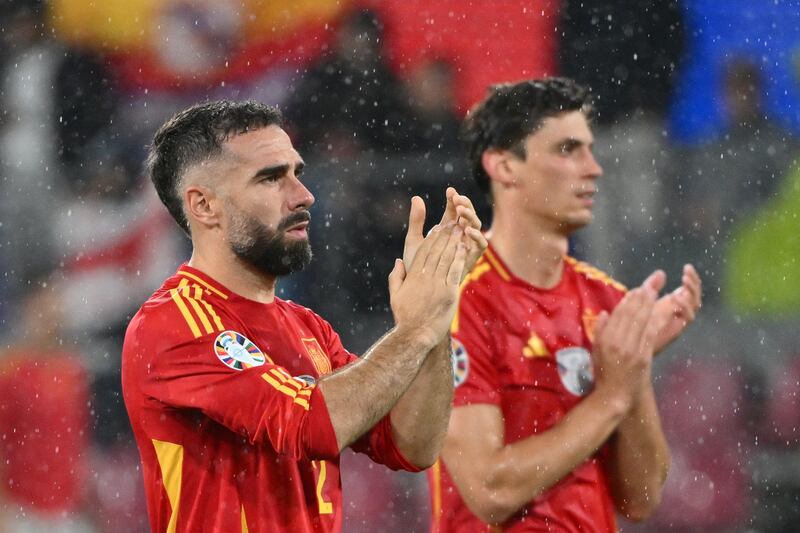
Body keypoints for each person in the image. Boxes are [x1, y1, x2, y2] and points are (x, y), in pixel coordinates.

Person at [121, 100, 487, 532]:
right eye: (271, 178)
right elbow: (308, 424)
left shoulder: (307, 327)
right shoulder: (173, 324)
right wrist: (415, 329)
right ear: (204, 206)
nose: (304, 195)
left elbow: (412, 445)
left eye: (297, 173)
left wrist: (437, 315)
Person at [428, 78, 703, 532]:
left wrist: (631, 370)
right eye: (567, 149)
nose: (593, 168)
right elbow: (489, 491)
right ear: (503, 167)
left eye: (590, 149)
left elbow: (642, 497)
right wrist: (611, 396)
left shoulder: (608, 301)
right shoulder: (460, 302)